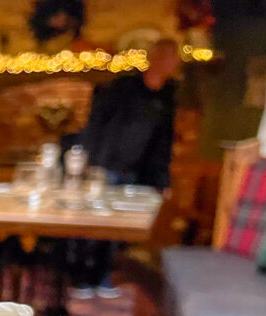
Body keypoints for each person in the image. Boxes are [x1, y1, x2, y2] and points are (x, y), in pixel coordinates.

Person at [69, 38, 182, 299]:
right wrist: (88, 161)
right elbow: (95, 124)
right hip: (105, 167)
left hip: (137, 174)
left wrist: (162, 180)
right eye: (164, 56)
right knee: (93, 225)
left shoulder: (167, 96)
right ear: (153, 58)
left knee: (119, 231)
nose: (169, 63)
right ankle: (83, 280)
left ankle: (105, 278)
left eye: (173, 59)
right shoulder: (122, 88)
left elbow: (162, 142)